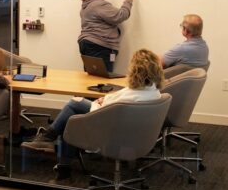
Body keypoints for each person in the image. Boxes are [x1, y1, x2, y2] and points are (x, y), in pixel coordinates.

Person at [22, 48, 164, 153]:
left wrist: (100, 102)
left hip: (110, 125)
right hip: (129, 127)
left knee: (74, 104)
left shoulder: (133, 95)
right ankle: (49, 140)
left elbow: (112, 109)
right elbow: (121, 98)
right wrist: (106, 99)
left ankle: (47, 138)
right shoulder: (152, 90)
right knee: (75, 108)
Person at [78, 0, 134, 72]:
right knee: (101, 81)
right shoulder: (98, 5)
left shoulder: (87, 5)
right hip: (99, 46)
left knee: (91, 78)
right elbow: (121, 15)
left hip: (89, 45)